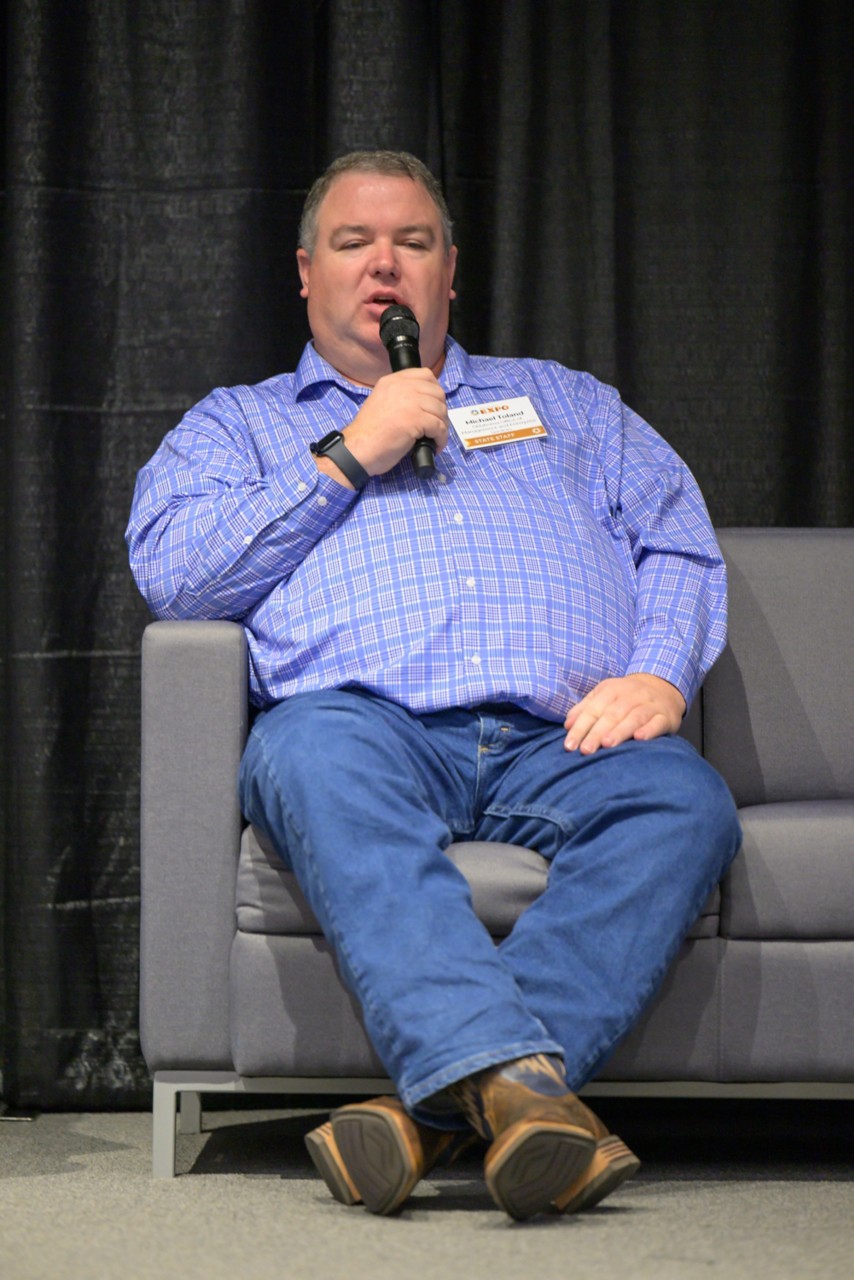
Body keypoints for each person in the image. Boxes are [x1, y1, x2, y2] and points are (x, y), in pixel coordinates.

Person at [127, 150, 741, 1221]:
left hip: (562, 732)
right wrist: (346, 453)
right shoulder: (238, 423)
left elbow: (676, 540)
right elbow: (176, 573)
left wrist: (657, 670)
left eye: (411, 243)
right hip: (360, 730)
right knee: (305, 754)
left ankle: (445, 1112)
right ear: (305, 272)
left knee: (682, 798)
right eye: (354, 243)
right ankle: (516, 1092)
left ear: (448, 274)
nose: (384, 267)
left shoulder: (560, 402)